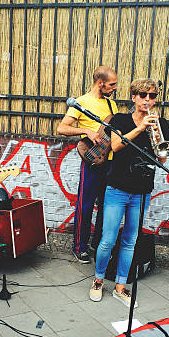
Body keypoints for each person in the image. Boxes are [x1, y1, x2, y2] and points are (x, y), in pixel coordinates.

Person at [89, 79, 169, 307]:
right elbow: (115, 146)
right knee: (108, 239)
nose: (147, 100)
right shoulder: (121, 120)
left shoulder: (160, 122)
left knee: (130, 241)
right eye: (143, 95)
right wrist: (140, 128)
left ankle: (120, 286)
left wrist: (155, 134)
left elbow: (163, 158)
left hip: (142, 191)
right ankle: (98, 280)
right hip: (117, 188)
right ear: (133, 97)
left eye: (152, 96)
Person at [57, 66, 118, 264]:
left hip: (109, 162)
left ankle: (97, 243)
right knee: (85, 206)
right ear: (100, 83)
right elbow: (62, 128)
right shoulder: (81, 102)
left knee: (105, 207)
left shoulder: (112, 105)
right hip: (91, 162)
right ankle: (79, 247)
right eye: (112, 84)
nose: (115, 88)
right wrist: (86, 131)